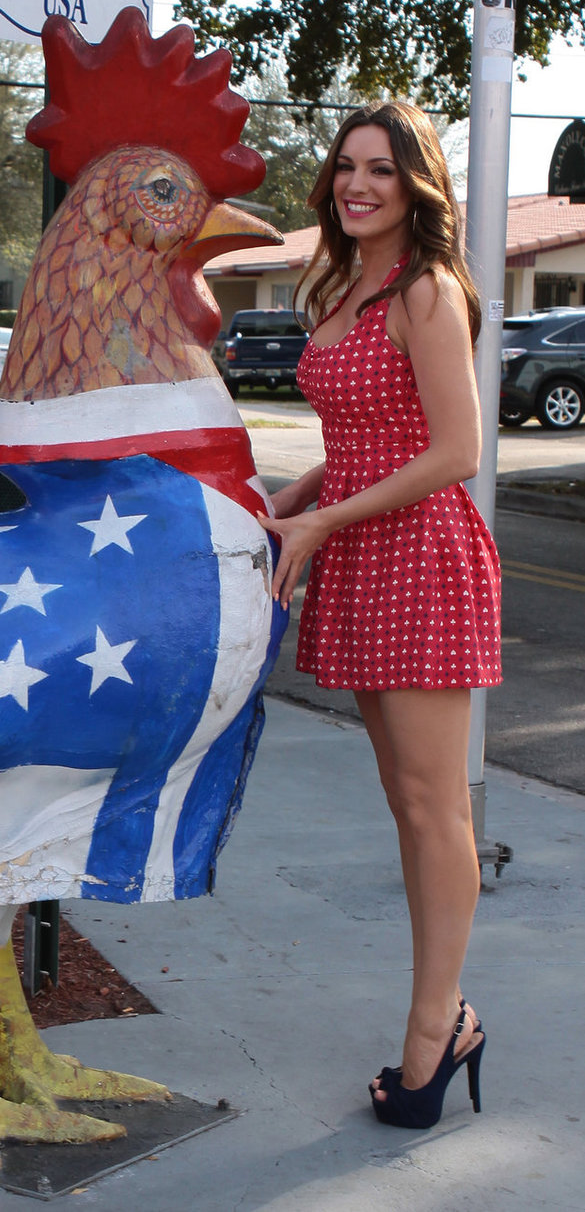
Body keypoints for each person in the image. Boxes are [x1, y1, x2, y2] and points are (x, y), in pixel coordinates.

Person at [259, 101, 500, 1130]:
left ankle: (433, 1029)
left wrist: (323, 520)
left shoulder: (425, 290)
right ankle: (439, 1015)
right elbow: (366, 429)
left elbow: (456, 449)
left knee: (433, 804)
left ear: (416, 187)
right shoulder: (345, 282)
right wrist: (292, 498)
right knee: (405, 804)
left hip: (420, 550)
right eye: (347, 167)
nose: (358, 184)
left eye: (382, 171)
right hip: (360, 542)